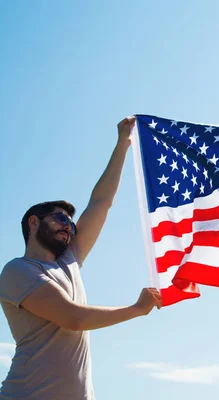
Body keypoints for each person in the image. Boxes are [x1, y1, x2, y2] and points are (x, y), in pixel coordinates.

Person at [0, 116, 162, 399]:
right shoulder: (17, 271)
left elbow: (101, 202)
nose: (68, 225)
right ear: (34, 223)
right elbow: (72, 318)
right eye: (61, 218)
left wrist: (122, 143)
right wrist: (136, 309)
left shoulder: (70, 259)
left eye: (72, 223)